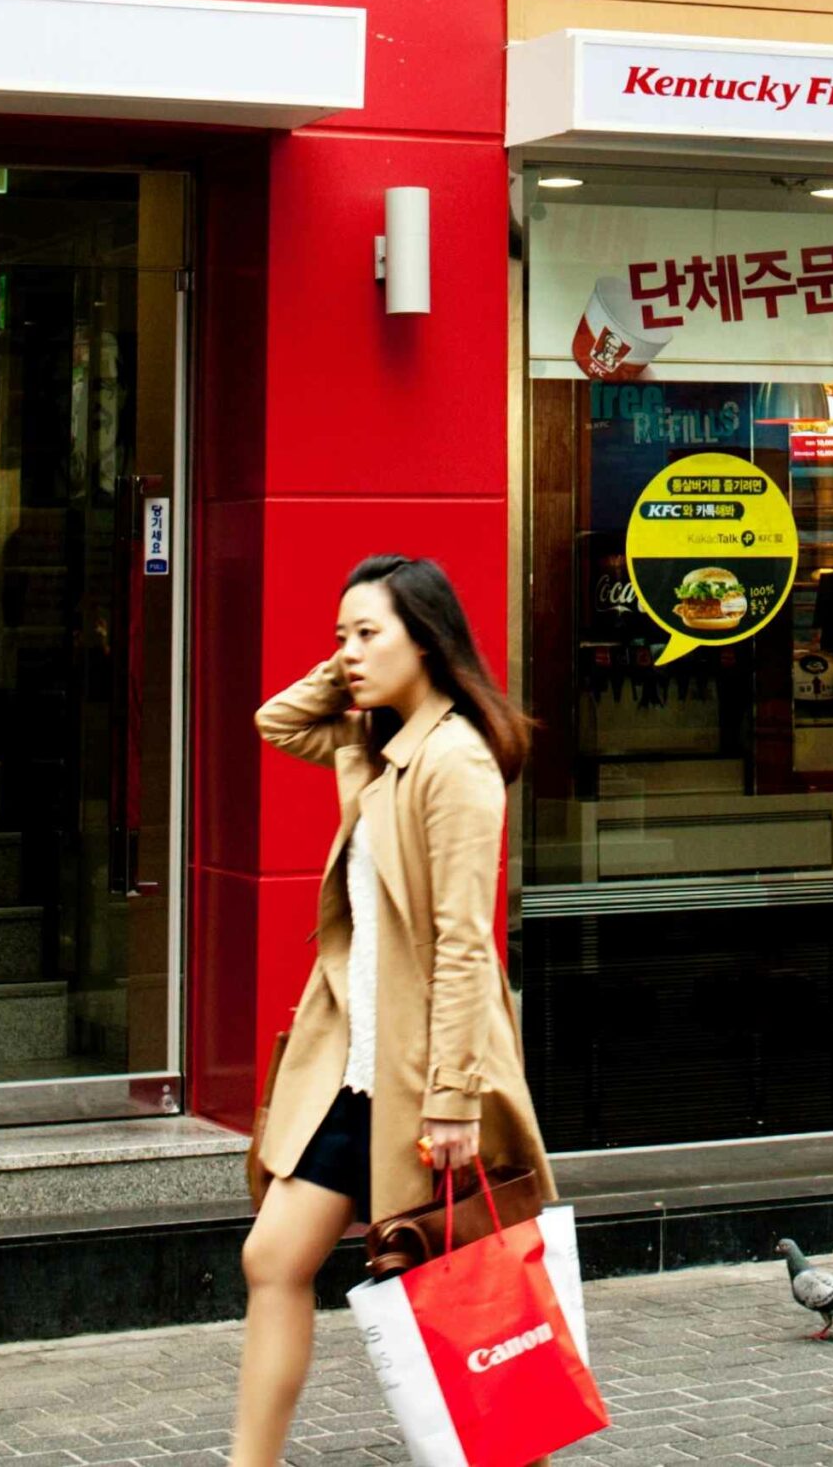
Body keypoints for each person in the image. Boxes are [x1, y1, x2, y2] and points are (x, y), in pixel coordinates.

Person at [232, 556, 555, 1463]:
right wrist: (349, 670)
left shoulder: (453, 760)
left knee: (467, 1294)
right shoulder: (378, 742)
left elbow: (464, 943)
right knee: (274, 1259)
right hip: (358, 1069)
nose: (348, 653)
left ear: (429, 638)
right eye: (340, 636)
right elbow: (273, 720)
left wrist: (454, 1097)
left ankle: (513, 1446)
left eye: (368, 633)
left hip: (424, 1081)